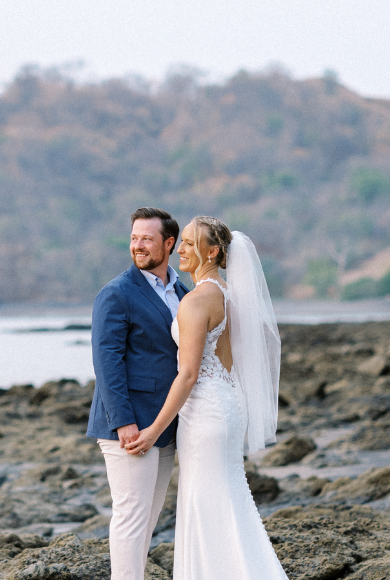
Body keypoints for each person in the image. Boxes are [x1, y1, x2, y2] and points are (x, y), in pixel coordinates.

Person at [124, 216, 288, 579]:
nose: (179, 249)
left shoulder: (196, 301)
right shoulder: (227, 294)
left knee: (206, 504)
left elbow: (188, 374)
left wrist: (152, 431)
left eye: (188, 243)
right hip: (228, 404)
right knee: (228, 500)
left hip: (205, 415)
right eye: (180, 242)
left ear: (212, 251)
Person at [86, 207, 189, 580]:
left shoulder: (182, 290)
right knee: (130, 516)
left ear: (169, 243)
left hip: (166, 425)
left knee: (148, 517)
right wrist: (124, 422)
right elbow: (106, 362)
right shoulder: (116, 293)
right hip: (129, 426)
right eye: (133, 238)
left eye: (146, 238)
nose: (138, 246)